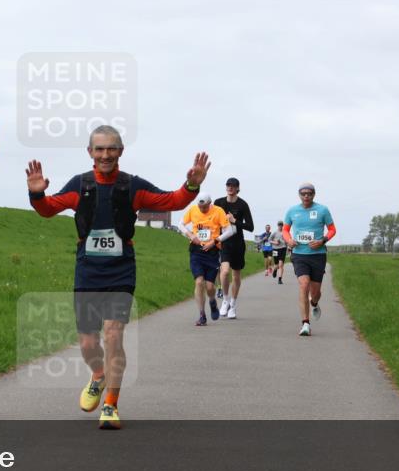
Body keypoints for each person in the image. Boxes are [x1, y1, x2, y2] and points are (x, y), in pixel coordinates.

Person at [26, 128, 208, 429]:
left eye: (111, 149)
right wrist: (37, 193)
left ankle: (111, 404)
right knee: (87, 343)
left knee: (113, 334)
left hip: (121, 269)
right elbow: (47, 210)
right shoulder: (80, 184)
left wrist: (191, 185)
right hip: (87, 268)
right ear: (90, 152)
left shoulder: (131, 186)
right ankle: (98, 375)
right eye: (99, 150)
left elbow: (172, 201)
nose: (105, 155)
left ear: (121, 151)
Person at [283, 183, 336, 336]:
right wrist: (289, 240)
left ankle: (314, 303)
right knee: (303, 285)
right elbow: (286, 230)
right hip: (299, 254)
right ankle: (305, 323)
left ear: (314, 194)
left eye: (309, 193)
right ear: (299, 194)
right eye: (303, 193)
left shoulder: (322, 210)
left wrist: (323, 240)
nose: (306, 196)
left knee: (316, 291)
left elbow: (332, 229)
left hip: (318, 255)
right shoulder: (292, 211)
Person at [180, 195, 230, 325]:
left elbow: (229, 231)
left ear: (210, 204)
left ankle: (212, 301)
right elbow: (181, 224)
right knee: (199, 282)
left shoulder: (218, 211)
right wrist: (190, 234)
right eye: (200, 207)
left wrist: (215, 241)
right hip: (196, 250)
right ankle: (202, 315)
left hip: (212, 252)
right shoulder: (193, 210)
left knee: (209, 286)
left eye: (205, 207)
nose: (202, 209)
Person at [214, 177, 254, 319]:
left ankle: (233, 304)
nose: (230, 187)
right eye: (228, 185)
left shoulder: (243, 205)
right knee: (224, 272)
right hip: (225, 243)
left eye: (233, 186)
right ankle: (225, 300)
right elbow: (212, 221)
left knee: (236, 275)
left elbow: (250, 227)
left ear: (238, 188)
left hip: (238, 244)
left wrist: (234, 221)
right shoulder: (218, 203)